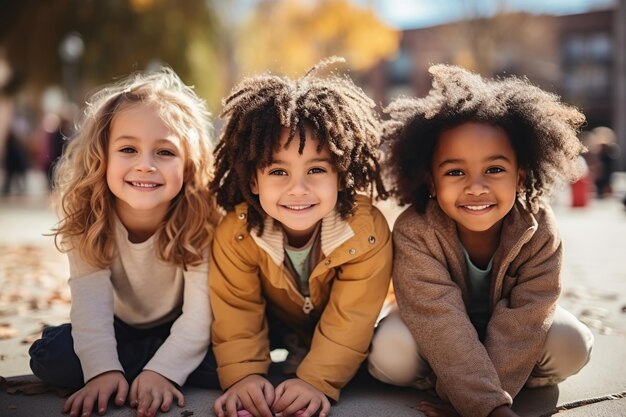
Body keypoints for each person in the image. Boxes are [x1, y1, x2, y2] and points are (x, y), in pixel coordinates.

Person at [367, 64, 594, 417]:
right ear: (430, 181)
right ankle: (457, 379)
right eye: (455, 172)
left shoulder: (539, 228)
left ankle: (479, 381)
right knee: (389, 353)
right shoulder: (416, 230)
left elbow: (527, 318)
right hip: (435, 332)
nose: (476, 186)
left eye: (494, 169)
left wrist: (481, 405)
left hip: (513, 336)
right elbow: (438, 318)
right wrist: (482, 402)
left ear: (520, 176)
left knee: (571, 345)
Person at [28, 67, 221, 417]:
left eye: (164, 152)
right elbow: (91, 308)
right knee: (52, 358)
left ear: (189, 165)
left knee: (232, 362)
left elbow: (198, 317)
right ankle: (140, 363)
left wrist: (162, 373)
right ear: (102, 156)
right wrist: (102, 371)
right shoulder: (88, 219)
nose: (145, 165)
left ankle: (156, 363)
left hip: (183, 323)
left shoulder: (202, 219)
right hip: (117, 326)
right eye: (128, 149)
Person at [209, 56, 393, 417]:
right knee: (207, 359)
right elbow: (237, 309)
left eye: (316, 170)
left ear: (340, 175)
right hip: (276, 325)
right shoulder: (238, 232)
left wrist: (316, 381)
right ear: (252, 181)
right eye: (278, 170)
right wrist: (244, 376)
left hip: (337, 329)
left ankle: (311, 360)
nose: (298, 188)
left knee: (375, 356)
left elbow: (352, 315)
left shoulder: (365, 232)